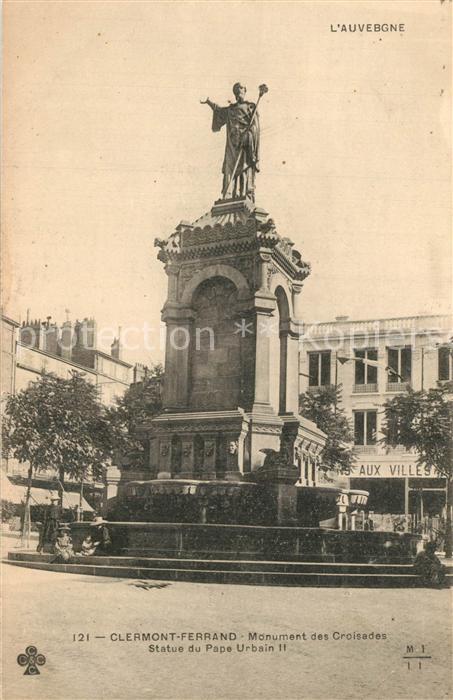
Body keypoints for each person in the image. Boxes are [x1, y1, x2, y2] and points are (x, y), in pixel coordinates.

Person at [201, 83, 260, 200]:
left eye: (241, 90)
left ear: (245, 91)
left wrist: (248, 135)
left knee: (244, 168)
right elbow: (218, 111)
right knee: (230, 168)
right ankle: (228, 196)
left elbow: (255, 127)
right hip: (232, 145)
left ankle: (244, 195)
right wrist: (208, 102)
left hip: (245, 144)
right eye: (237, 92)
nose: (239, 94)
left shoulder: (250, 107)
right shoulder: (231, 109)